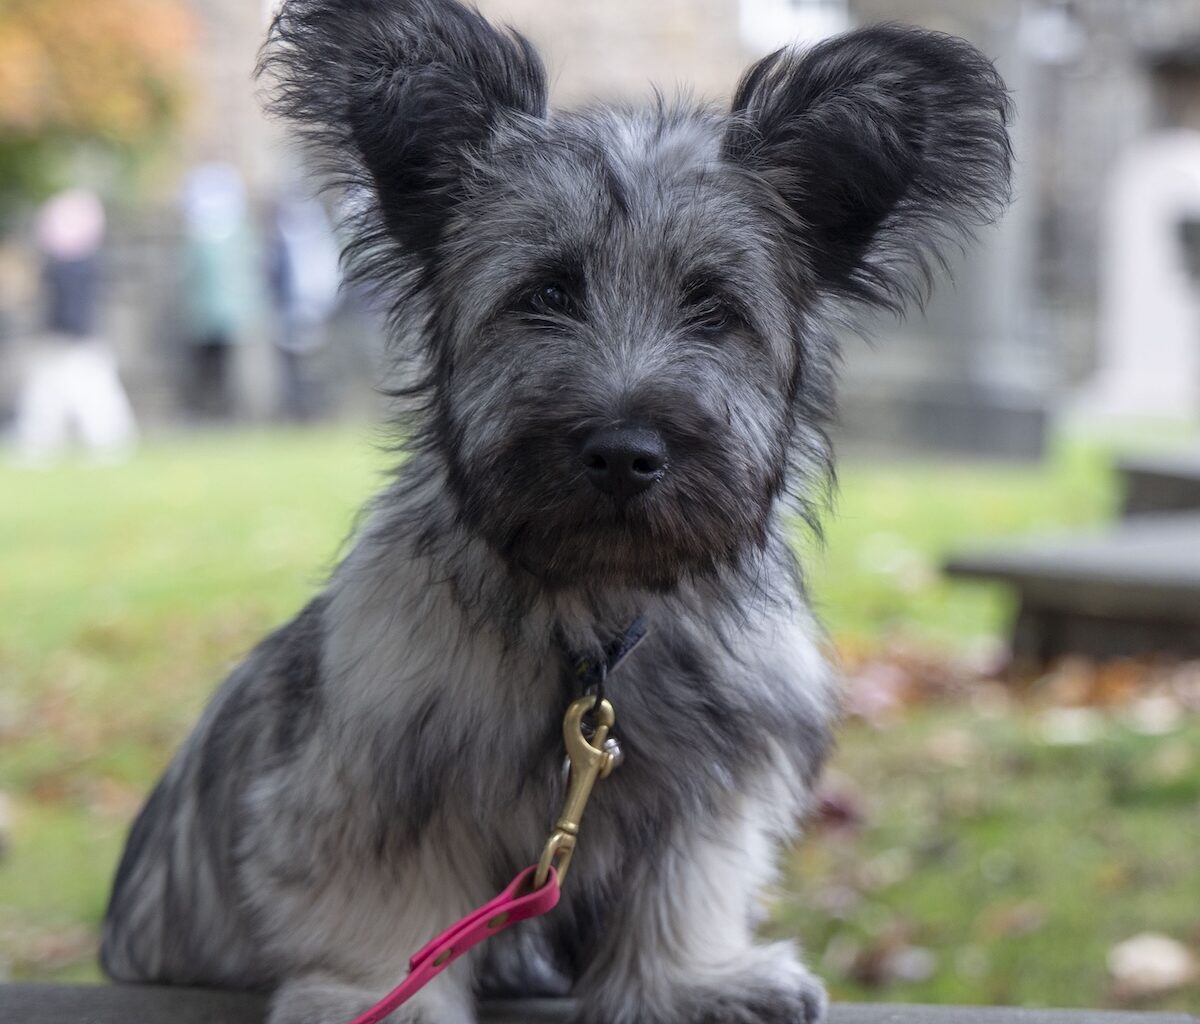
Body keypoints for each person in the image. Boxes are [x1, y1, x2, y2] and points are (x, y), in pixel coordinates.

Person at [12, 188, 137, 463]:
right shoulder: (77, 264)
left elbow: (70, 307)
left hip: (73, 339)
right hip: (67, 338)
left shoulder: (73, 266)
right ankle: (40, 443)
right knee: (49, 395)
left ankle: (105, 442)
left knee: (88, 394)